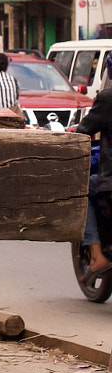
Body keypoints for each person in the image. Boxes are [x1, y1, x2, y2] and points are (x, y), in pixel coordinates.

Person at [76, 78, 112, 278]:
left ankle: (97, 255)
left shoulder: (108, 98)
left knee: (83, 191)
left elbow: (84, 130)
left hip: (109, 180)